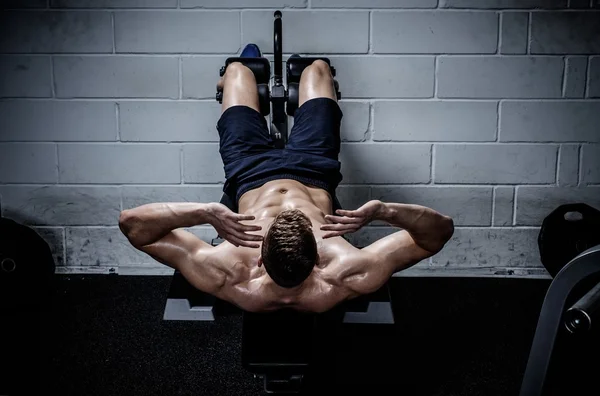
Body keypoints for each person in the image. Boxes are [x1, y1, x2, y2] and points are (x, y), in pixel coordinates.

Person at [119, 44, 454, 313]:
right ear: (318, 255)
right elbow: (438, 234)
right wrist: (382, 211)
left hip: (248, 170)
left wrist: (206, 212)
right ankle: (303, 71)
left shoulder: (230, 274)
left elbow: (133, 225)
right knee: (318, 68)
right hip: (314, 171)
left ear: (260, 255)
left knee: (238, 70)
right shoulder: (343, 273)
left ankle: (237, 78)